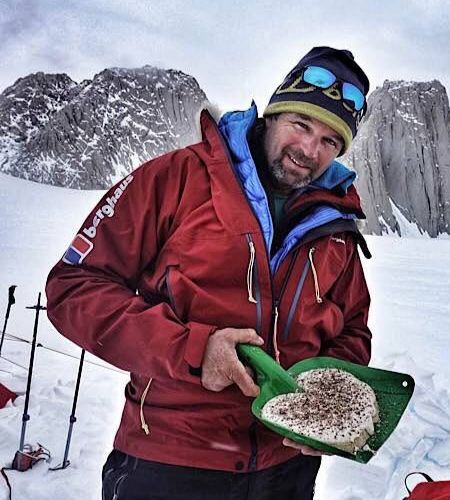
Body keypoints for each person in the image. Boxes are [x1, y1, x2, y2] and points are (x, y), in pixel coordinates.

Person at [45, 46, 372, 500]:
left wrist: (325, 405)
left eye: (330, 142)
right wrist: (194, 350)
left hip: (287, 468)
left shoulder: (335, 225)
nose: (309, 150)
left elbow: (353, 327)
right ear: (273, 114)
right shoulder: (177, 177)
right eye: (302, 125)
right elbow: (73, 288)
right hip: (173, 458)